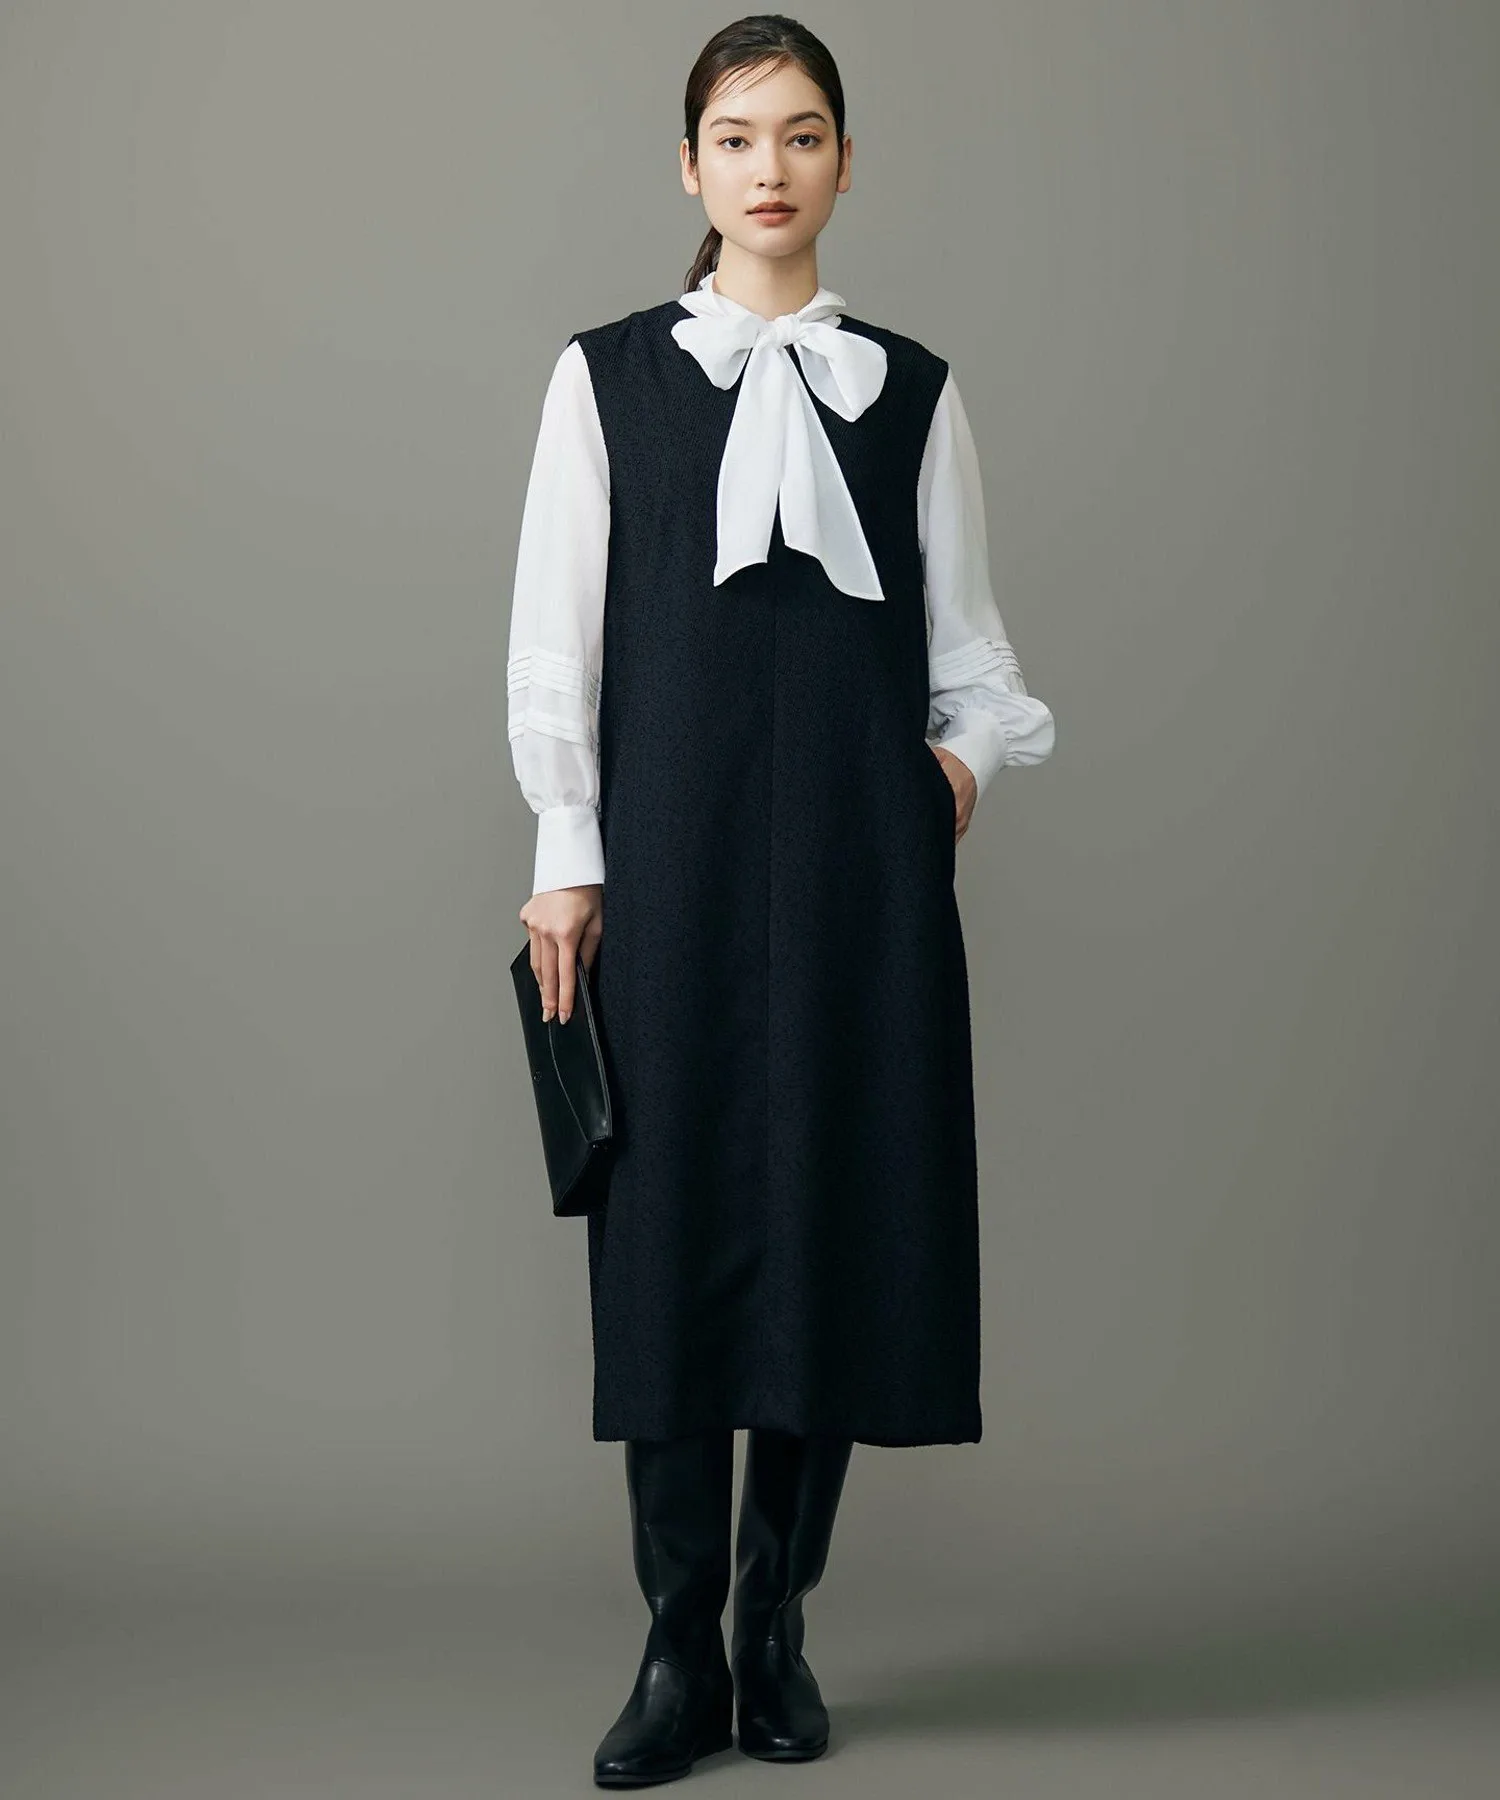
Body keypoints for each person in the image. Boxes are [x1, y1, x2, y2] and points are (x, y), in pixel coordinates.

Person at [507, 15, 1056, 1786]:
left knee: (834, 1215)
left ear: (843, 164)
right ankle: (675, 1652)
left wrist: (952, 772)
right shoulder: (605, 379)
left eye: (802, 134)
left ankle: (774, 1626)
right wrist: (566, 857)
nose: (770, 166)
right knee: (666, 1237)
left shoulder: (914, 391)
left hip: (853, 868)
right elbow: (554, 638)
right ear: (691, 165)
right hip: (664, 854)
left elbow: (975, 655)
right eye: (737, 137)